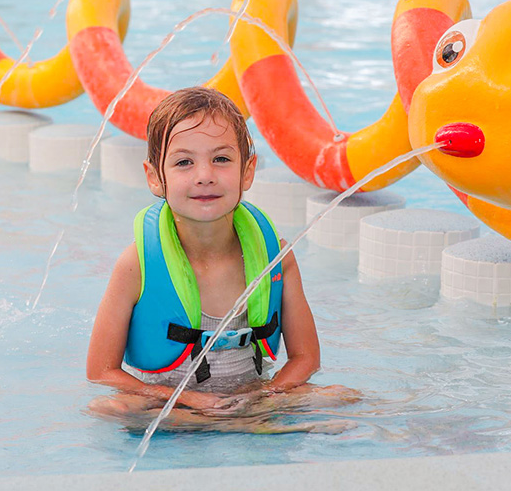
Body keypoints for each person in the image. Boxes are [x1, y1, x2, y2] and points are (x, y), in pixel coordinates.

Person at [87, 87, 354, 432]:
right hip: (167, 402)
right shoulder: (137, 265)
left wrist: (265, 397)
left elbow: (306, 358)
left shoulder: (277, 260)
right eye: (184, 162)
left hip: (253, 396)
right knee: (108, 407)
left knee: (342, 396)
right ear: (155, 176)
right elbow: (100, 371)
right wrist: (188, 401)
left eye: (222, 159)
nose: (204, 175)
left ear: (248, 170)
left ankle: (234, 423)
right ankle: (237, 425)